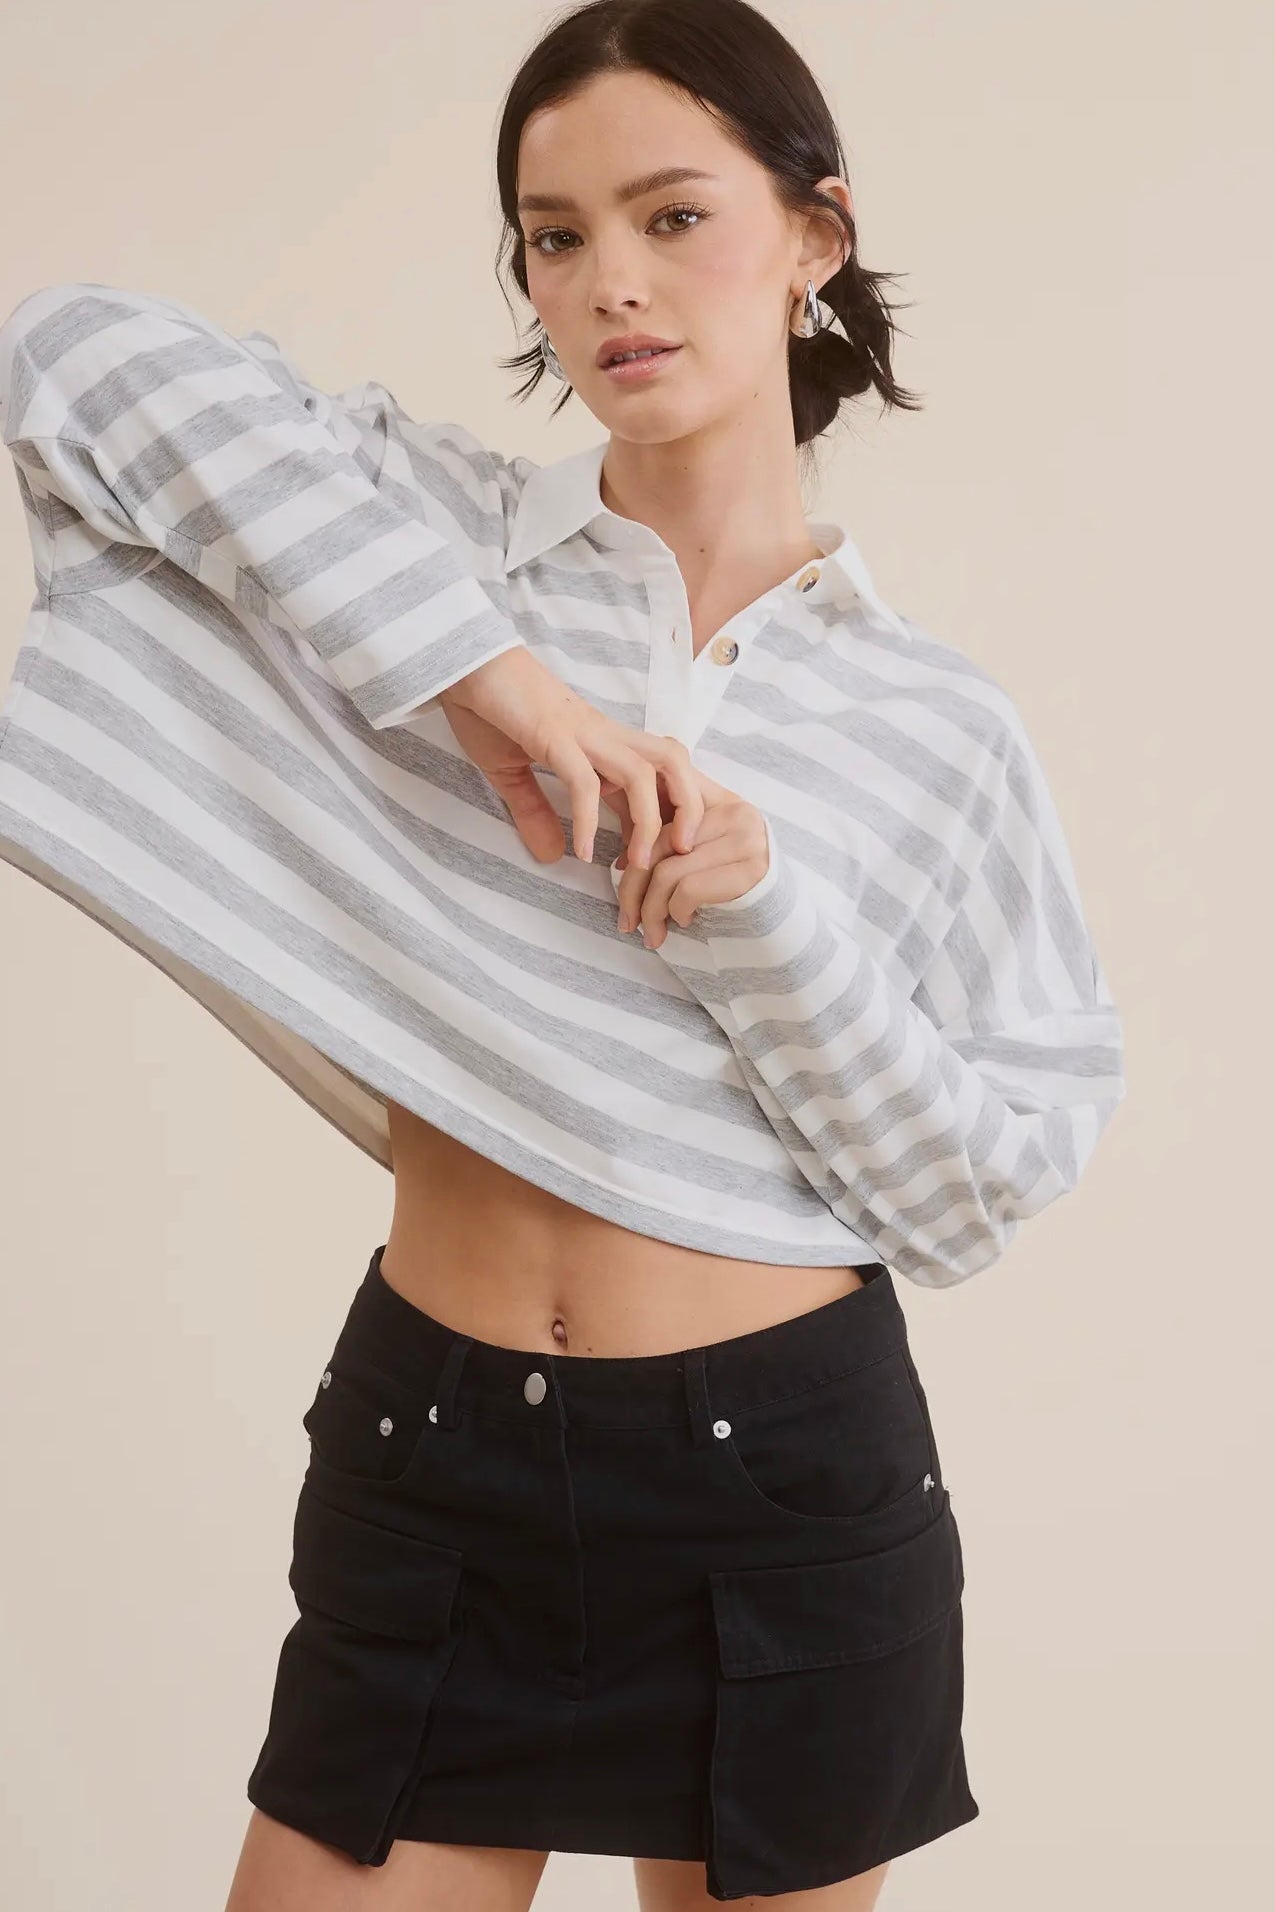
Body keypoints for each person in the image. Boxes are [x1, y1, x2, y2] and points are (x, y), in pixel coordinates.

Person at [0, 3, 1126, 1908]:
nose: (611, 282)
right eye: (555, 235)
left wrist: (765, 918)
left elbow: (972, 1186)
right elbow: (68, 358)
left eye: (675, 217)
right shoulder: (426, 541)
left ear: (816, 235)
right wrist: (496, 685)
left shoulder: (936, 725)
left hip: (785, 1493)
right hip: (436, 1456)